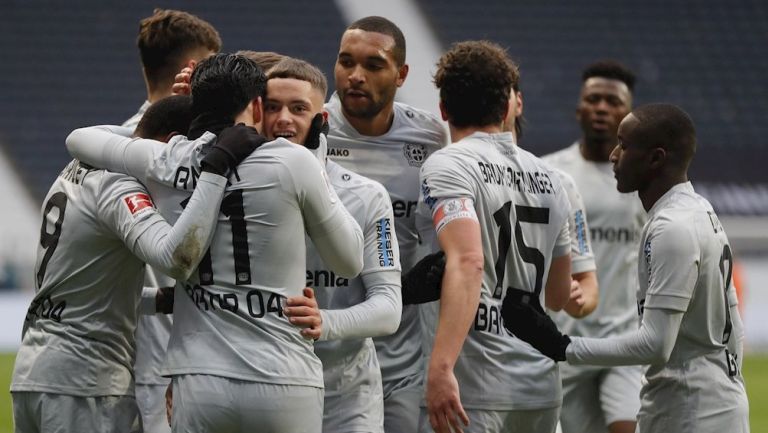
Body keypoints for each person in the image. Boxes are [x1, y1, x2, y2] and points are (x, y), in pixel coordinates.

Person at [66, 53, 364, 433]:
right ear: (257, 106)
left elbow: (78, 139)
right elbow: (349, 262)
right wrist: (318, 162)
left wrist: (190, 129)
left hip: (199, 377)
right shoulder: (294, 161)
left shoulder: (167, 158)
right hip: (282, 375)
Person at [10, 95, 265, 433]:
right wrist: (214, 171)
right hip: (85, 382)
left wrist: (159, 300)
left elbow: (89, 289)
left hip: (36, 371)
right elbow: (177, 258)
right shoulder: (120, 186)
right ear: (169, 145)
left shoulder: (79, 166)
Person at [503, 103, 749, 433]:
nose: (614, 156)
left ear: (655, 158)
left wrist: (563, 346)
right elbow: (734, 321)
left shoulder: (672, 228)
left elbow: (655, 345)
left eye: (625, 145)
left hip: (691, 410)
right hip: (712, 402)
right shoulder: (699, 210)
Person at [419, 40, 573, 433]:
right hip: (541, 385)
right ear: (507, 106)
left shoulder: (449, 164)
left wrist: (440, 368)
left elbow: (469, 261)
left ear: (443, 110)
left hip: (479, 386)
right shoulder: (554, 179)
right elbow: (558, 296)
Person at [263, 56, 402, 433]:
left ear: (320, 120)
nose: (283, 120)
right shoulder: (234, 190)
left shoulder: (367, 196)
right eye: (272, 107)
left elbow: (388, 309)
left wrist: (325, 321)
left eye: (298, 108)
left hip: (347, 395)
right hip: (266, 388)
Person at [326, 16, 448, 432]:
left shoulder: (430, 137)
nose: (355, 76)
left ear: (401, 74)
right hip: (328, 349)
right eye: (346, 62)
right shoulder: (311, 130)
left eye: (374, 65)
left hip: (401, 354)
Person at [122, 11, 220, 432]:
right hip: (176, 358)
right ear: (193, 71)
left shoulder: (115, 144)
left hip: (134, 352)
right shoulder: (204, 148)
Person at [542, 61, 646, 433]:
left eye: (612, 101)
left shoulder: (646, 182)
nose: (602, 107)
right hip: (568, 341)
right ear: (579, 109)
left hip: (626, 340)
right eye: (593, 99)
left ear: (628, 114)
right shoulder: (549, 175)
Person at [502, 67, 598, 319]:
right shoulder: (452, 173)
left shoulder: (556, 182)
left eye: (499, 92)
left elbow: (586, 282)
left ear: (518, 102)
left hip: (539, 350)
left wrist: (577, 298)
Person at [123, 8, 221, 129]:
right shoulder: (203, 140)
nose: (217, 74)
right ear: (192, 71)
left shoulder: (120, 137)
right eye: (211, 66)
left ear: (146, 71)